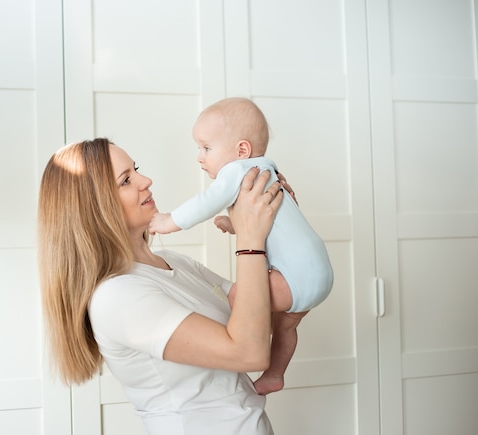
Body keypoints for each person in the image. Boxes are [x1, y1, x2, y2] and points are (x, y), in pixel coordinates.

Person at [38, 138, 285, 435]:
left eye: (136, 169)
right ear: (95, 208)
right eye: (126, 180)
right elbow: (249, 352)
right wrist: (250, 238)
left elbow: (259, 311)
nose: (146, 180)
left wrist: (281, 222)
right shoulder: (116, 296)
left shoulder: (173, 262)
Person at [149, 97, 333, 394]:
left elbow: (206, 202)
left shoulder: (238, 170)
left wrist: (171, 221)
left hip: (294, 276)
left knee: (240, 295)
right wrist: (235, 225)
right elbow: (272, 225)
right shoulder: (266, 173)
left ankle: (248, 339)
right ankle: (275, 374)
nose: (199, 157)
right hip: (317, 270)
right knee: (286, 326)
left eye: (206, 148)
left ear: (241, 150)